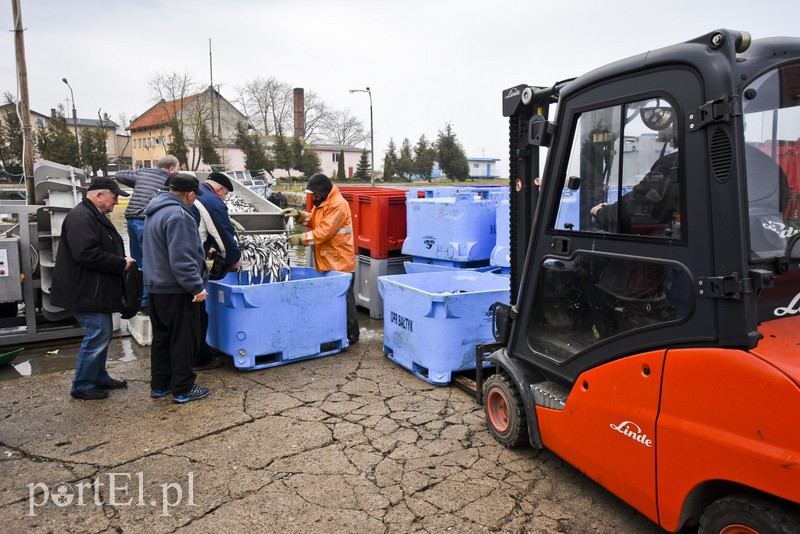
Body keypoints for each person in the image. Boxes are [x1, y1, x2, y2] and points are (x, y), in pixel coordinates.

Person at [51, 177, 135, 400]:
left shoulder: (91, 214)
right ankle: (82, 384)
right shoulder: (82, 217)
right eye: (114, 197)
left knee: (103, 334)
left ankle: (98, 376)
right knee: (97, 335)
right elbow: (85, 253)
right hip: (86, 291)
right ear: (99, 195)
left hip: (94, 290)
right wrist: (120, 263)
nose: (116, 202)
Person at [142, 173, 210, 404]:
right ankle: (183, 388)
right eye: (194, 196)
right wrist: (196, 286)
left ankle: (160, 384)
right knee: (183, 339)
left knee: (162, 337)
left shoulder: (154, 211)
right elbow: (181, 258)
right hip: (177, 290)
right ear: (189, 194)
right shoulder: (179, 215)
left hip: (155, 288)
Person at [282, 173, 359, 345]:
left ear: (322, 191)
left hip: (340, 261)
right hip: (330, 259)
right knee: (334, 299)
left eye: (314, 193)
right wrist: (300, 215)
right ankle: (336, 331)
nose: (313, 197)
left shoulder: (338, 204)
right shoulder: (324, 202)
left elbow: (325, 231)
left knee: (345, 300)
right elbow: (316, 220)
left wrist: (301, 239)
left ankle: (352, 334)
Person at [191, 172, 243, 370]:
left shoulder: (199, 193)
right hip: (190, 261)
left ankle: (198, 352)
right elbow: (224, 235)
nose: (224, 199)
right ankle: (201, 358)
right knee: (197, 312)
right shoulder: (213, 201)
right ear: (220, 189)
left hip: (173, 263)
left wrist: (208, 246)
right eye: (226, 195)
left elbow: (200, 227)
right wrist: (234, 259)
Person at [115, 155, 179, 312]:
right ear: (171, 169)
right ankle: (145, 303)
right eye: (176, 169)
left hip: (130, 220)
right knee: (149, 263)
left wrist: (139, 180)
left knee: (137, 262)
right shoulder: (169, 181)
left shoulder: (143, 173)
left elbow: (118, 175)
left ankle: (136, 299)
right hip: (146, 222)